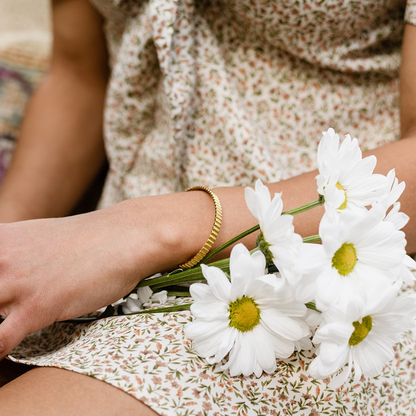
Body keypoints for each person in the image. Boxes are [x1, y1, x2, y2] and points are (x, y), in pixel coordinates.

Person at [0, 0, 416, 414]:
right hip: (105, 272)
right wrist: (13, 247)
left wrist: (146, 232)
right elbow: (80, 75)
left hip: (318, 291)